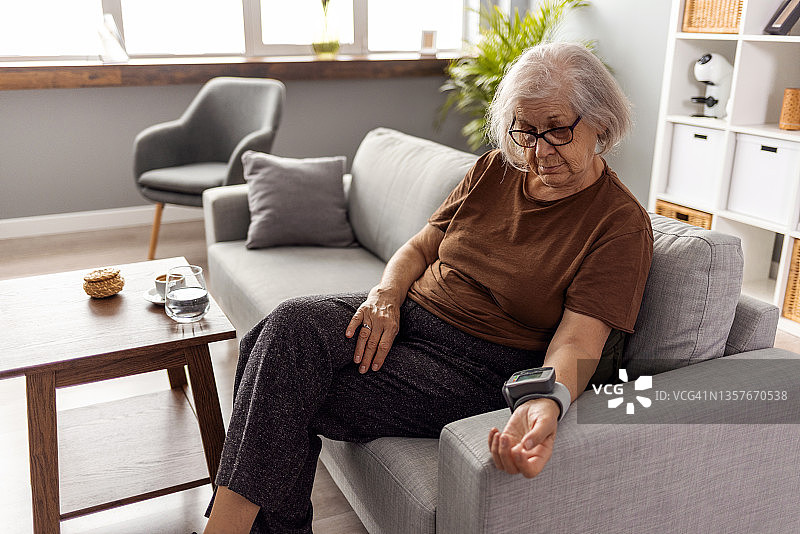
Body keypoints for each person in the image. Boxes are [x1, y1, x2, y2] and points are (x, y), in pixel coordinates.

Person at [203, 41, 653, 534]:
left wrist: (544, 400)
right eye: (525, 130)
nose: (538, 151)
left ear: (602, 126)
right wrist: (386, 296)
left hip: (477, 367)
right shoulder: (495, 169)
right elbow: (419, 249)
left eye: (558, 131)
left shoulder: (619, 225)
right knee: (283, 333)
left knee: (282, 384)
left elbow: (578, 341)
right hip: (412, 317)